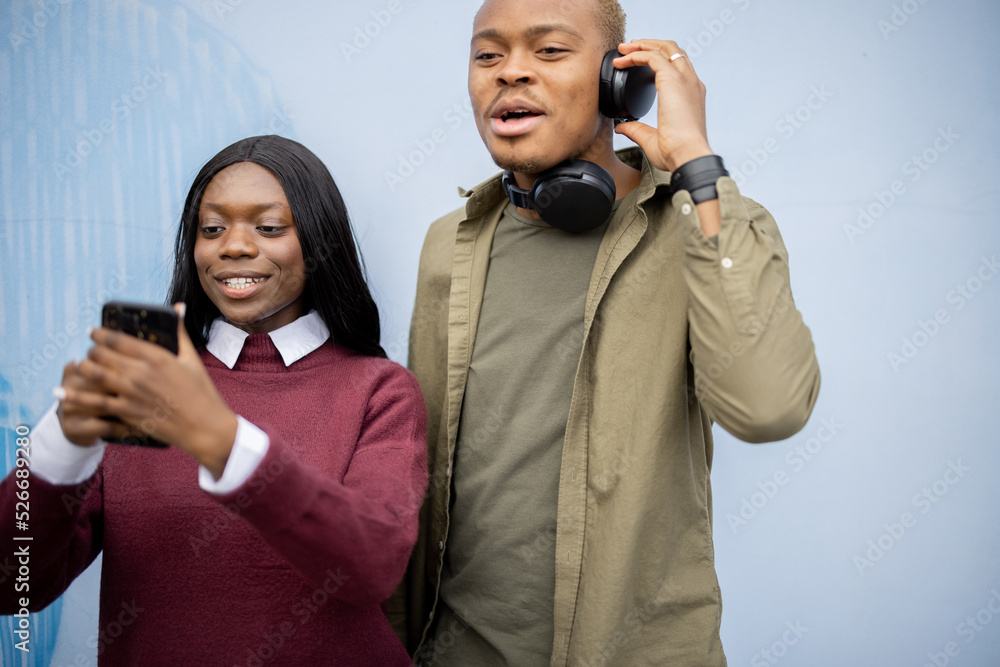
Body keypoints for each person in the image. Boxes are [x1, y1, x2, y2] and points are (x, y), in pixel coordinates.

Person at [391, 0, 821, 665]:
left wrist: (696, 166)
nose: (511, 72)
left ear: (620, 80)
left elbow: (769, 407)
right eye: (488, 54)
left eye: (549, 51)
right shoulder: (448, 244)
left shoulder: (701, 224)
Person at [0, 135, 427, 665]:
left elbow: (373, 566)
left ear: (319, 242)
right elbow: (12, 586)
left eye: (269, 228)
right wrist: (63, 442)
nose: (234, 246)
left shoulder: (380, 390)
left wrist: (222, 441)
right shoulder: (143, 385)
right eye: (212, 229)